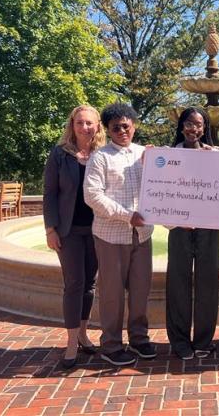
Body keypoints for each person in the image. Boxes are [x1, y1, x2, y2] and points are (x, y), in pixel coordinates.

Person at [84, 102, 156, 366]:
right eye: (116, 128)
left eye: (126, 126)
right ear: (108, 129)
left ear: (134, 126)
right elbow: (92, 196)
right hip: (111, 236)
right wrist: (127, 215)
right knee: (112, 293)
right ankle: (112, 344)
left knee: (140, 290)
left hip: (143, 235)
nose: (122, 131)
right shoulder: (100, 157)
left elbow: (165, 186)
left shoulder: (146, 154)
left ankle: (139, 338)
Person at [43, 105, 105, 369]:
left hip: (98, 229)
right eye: (80, 123)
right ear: (72, 125)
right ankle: (70, 342)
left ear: (98, 126)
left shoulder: (103, 154)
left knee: (90, 283)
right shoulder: (60, 154)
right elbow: (50, 193)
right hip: (68, 230)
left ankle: (82, 333)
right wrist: (50, 229)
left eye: (90, 123)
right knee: (74, 284)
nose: (85, 128)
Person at [166, 107, 219, 360]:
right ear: (181, 126)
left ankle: (202, 340)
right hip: (179, 227)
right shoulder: (168, 156)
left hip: (208, 227)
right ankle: (179, 341)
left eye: (199, 125)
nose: (194, 129)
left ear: (205, 128)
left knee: (208, 283)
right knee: (178, 282)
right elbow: (160, 192)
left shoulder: (215, 155)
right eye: (189, 123)